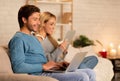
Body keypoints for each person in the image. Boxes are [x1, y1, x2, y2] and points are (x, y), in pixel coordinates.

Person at [8, 5, 96, 81]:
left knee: (90, 72)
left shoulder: (33, 38)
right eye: (35, 19)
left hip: (48, 70)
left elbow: (41, 59)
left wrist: (58, 64)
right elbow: (18, 67)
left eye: (39, 19)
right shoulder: (18, 39)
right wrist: (43, 67)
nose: (39, 23)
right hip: (39, 74)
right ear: (24, 20)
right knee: (82, 76)